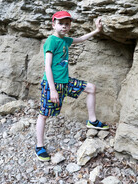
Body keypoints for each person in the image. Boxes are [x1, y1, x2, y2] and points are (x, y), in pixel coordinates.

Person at [35, 11, 109, 162]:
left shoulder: (65, 40)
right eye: (61, 23)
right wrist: (53, 90)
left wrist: (97, 30)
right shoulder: (51, 41)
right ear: (53, 24)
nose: (64, 26)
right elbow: (47, 67)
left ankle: (92, 121)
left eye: (67, 24)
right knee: (44, 114)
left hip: (66, 82)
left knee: (91, 88)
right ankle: (39, 146)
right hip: (52, 84)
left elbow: (81, 39)